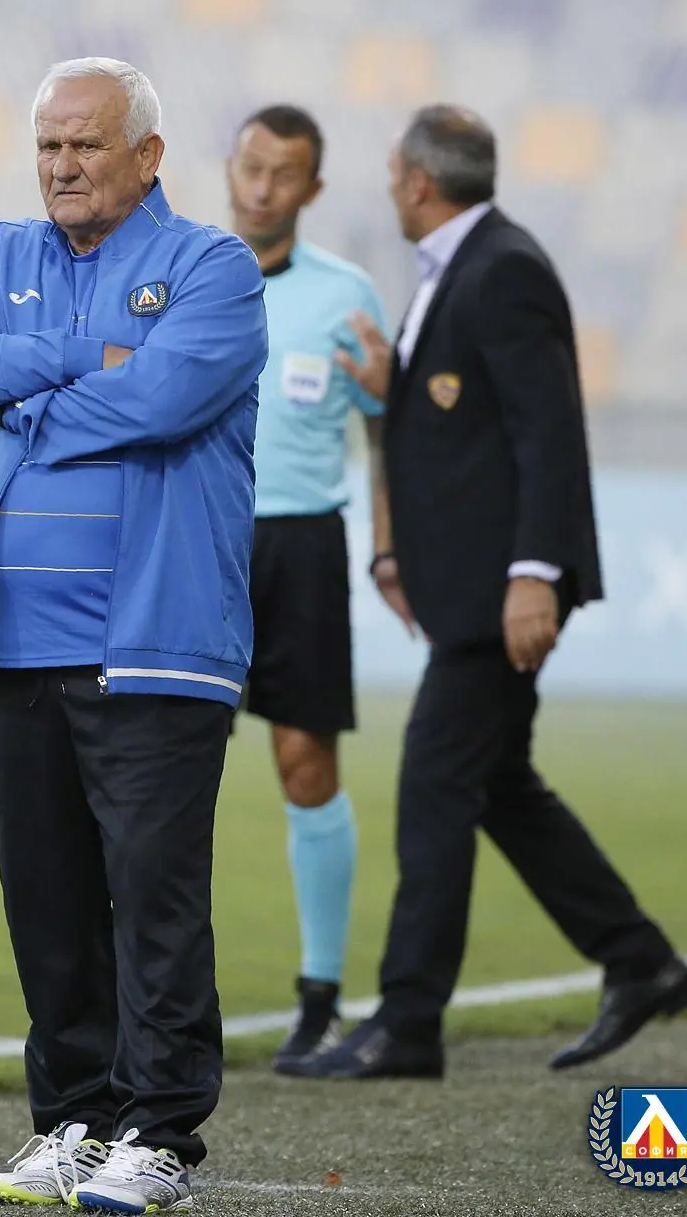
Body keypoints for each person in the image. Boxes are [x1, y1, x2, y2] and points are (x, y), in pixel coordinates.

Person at [0, 57, 267, 1211]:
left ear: (147, 155)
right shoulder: (0, 253)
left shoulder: (211, 266)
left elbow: (166, 399)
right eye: (48, 145)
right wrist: (80, 357)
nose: (62, 165)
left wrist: (21, 394)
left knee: (152, 898)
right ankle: (73, 1118)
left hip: (153, 644)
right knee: (49, 902)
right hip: (10, 643)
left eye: (86, 144)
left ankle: (158, 1132)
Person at [293, 104, 687, 1080]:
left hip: (496, 591)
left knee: (435, 784)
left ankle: (408, 1021)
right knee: (499, 785)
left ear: (419, 181)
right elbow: (464, 420)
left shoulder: (501, 267)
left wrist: (534, 575)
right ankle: (638, 959)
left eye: (394, 173)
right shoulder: (466, 265)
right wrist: (394, 389)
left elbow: (547, 430)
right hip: (465, 584)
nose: (391, 187)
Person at [226, 105, 395, 1072]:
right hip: (192, 540)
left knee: (304, 765)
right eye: (251, 165)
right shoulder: (179, 274)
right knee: (163, 770)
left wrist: (389, 549)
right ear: (229, 167)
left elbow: (383, 427)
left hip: (302, 545)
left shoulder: (346, 294)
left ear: (313, 188)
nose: (263, 187)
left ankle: (319, 999)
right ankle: (151, 1002)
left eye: (283, 172)